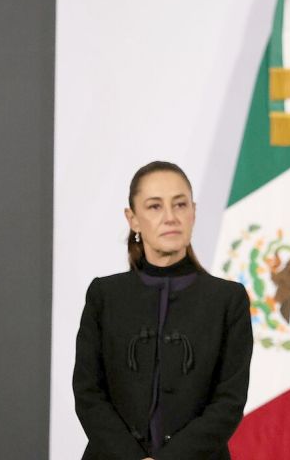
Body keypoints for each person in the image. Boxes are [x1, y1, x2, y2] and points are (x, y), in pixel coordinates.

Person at [73, 161, 253, 460]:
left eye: (180, 204)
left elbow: (228, 402)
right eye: (155, 207)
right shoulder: (104, 295)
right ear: (133, 218)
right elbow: (88, 393)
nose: (171, 217)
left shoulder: (228, 299)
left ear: (193, 211)